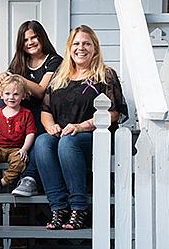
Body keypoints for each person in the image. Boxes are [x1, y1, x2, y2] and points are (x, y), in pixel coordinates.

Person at [34, 25, 128, 230]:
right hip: (63, 133)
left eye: (86, 43)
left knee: (68, 142)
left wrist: (82, 126)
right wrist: (51, 127)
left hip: (93, 136)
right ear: (69, 48)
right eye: (76, 43)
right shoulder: (60, 76)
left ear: (95, 47)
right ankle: (58, 207)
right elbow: (46, 110)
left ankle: (78, 207)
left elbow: (114, 112)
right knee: (42, 142)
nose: (81, 48)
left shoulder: (105, 74)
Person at [0, 20, 63, 197]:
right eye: (25, 39)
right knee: (2, 95)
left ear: (42, 37)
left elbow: (40, 91)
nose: (30, 42)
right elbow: (9, 86)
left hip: (42, 113)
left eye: (34, 37)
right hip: (20, 113)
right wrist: (2, 78)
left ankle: (29, 178)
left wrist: (16, 78)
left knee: (37, 133)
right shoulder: (20, 61)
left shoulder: (54, 60)